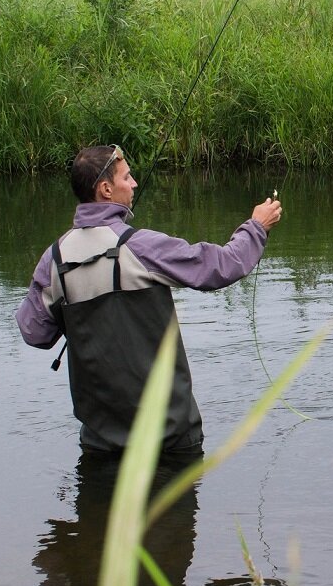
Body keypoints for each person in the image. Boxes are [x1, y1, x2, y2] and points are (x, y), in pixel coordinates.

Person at [16, 144, 282, 453]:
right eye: (127, 177)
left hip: (100, 445)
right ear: (105, 189)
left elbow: (35, 333)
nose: (134, 184)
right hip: (169, 440)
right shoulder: (142, 247)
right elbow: (222, 266)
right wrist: (256, 227)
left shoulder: (54, 260)